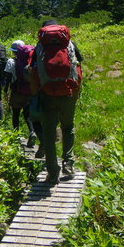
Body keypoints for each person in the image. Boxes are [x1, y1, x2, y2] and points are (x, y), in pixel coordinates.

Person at [28, 19, 82, 184]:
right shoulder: (69, 44)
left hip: (47, 94)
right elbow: (79, 66)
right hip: (68, 92)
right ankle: (69, 163)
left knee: (49, 133)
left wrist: (35, 92)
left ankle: (52, 172)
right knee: (68, 127)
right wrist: (76, 91)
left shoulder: (39, 47)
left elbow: (31, 71)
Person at [6, 40, 44, 154]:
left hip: (17, 91)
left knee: (16, 114)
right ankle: (32, 132)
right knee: (28, 115)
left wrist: (5, 90)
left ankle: (16, 135)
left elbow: (9, 77)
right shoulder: (32, 61)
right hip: (31, 91)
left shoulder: (12, 61)